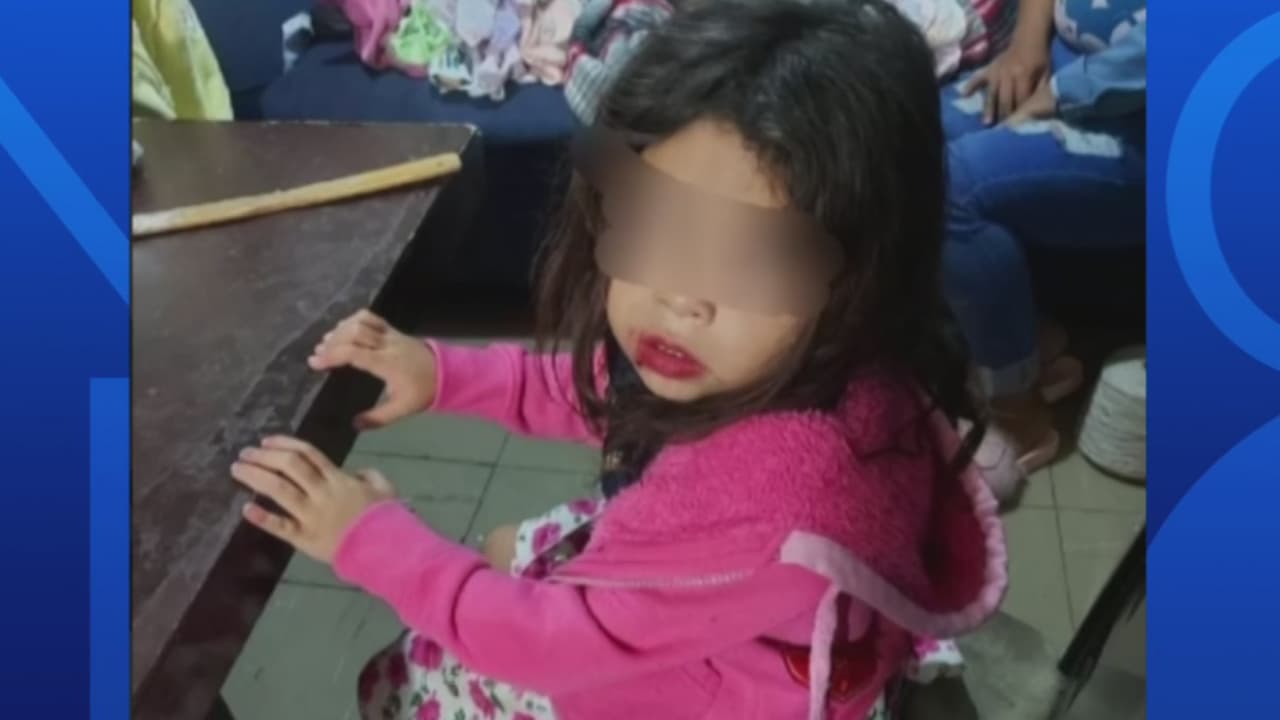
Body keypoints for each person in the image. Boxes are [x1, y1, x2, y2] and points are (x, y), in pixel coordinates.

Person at [230, 2, 1007, 718]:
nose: (679, 296)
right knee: (499, 550)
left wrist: (368, 537)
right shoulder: (770, 363)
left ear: (864, 279)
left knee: (406, 679)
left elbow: (543, 644)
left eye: (753, 260)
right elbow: (601, 389)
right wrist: (443, 373)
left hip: (714, 687)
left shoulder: (781, 509)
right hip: (706, 592)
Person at [939, 0, 1146, 477]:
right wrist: (1026, 45)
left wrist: (1060, 94)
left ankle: (1018, 415)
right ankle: (1029, 341)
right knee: (911, 131)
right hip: (1062, 67)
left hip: (1157, 122)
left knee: (953, 188)